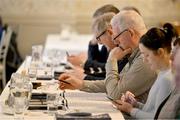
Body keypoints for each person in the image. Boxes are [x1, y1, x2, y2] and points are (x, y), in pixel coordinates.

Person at [59, 11, 157, 102]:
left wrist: (112, 59)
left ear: (130, 33)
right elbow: (114, 85)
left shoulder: (145, 59)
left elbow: (115, 94)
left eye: (116, 37)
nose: (115, 41)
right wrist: (81, 84)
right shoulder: (135, 53)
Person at [112, 23, 176, 119]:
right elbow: (151, 109)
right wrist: (135, 104)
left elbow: (157, 118)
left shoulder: (167, 79)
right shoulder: (162, 74)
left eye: (147, 55)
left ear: (160, 52)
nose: (144, 60)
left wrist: (130, 110)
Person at [67, 4, 120, 80]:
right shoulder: (109, 44)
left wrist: (84, 64)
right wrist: (94, 41)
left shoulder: (120, 46)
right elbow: (97, 62)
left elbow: (108, 72)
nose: (95, 30)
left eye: (98, 27)